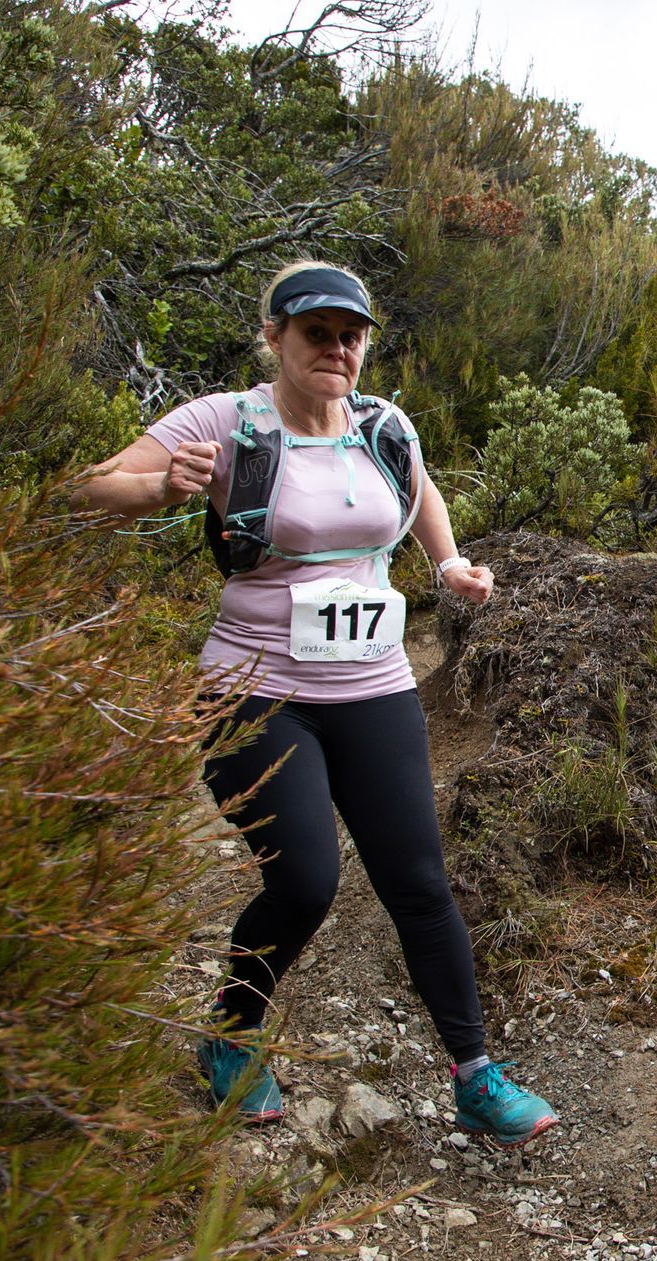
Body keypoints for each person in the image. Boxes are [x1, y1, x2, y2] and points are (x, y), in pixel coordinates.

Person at [77, 260, 556, 1147]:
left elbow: (419, 490)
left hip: (372, 685)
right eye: (316, 333)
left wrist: (447, 563)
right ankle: (231, 1030)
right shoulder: (226, 422)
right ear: (275, 338)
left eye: (351, 335)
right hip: (254, 692)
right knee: (304, 879)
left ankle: (476, 1075)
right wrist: (160, 487)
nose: (336, 348)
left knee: (418, 883)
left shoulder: (383, 425)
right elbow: (93, 484)